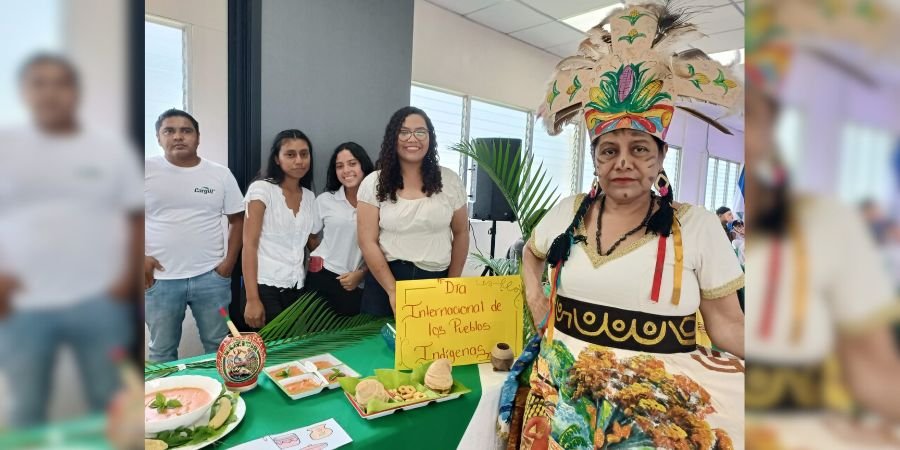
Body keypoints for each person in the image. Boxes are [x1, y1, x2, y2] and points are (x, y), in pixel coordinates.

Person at [497, 6, 746, 448]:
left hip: (651, 419)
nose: (624, 162)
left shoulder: (699, 227)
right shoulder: (566, 211)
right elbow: (531, 256)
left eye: (639, 148)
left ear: (661, 156)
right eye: (608, 150)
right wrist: (537, 302)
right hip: (560, 404)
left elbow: (728, 328)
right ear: (595, 159)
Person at [0, 54, 142, 426]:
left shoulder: (108, 148)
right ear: (24, 91)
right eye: (38, 83)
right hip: (23, 304)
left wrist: (126, 281)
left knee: (112, 406)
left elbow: (134, 217)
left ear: (76, 91)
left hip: (99, 300)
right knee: (26, 408)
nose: (50, 92)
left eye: (60, 82)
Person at [145, 109, 244, 362]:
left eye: (186, 130)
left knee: (219, 347)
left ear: (198, 137)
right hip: (160, 281)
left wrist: (228, 264)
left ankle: (224, 400)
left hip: (211, 278)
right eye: (169, 131)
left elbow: (237, 218)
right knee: (162, 351)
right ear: (158, 137)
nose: (178, 136)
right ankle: (171, 401)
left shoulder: (220, 174)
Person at [357, 106, 469, 317]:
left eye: (420, 132)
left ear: (430, 138)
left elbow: (462, 232)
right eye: (404, 132)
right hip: (386, 280)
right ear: (393, 137)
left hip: (435, 280)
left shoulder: (450, 180)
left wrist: (452, 283)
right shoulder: (373, 182)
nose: (413, 138)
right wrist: (392, 290)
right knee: (380, 348)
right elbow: (366, 240)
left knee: (431, 347)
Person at [242, 130, 322, 328]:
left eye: (304, 154)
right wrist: (252, 299)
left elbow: (313, 243)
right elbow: (249, 246)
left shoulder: (310, 197)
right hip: (264, 286)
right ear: (277, 159)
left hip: (297, 287)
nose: (299, 161)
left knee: (293, 351)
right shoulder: (262, 189)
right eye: (290, 154)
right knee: (273, 353)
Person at [305, 142, 374, 316]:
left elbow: (382, 247)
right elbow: (311, 237)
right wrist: (323, 262)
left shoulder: (379, 204)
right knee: (315, 337)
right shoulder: (325, 200)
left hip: (355, 282)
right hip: (322, 277)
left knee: (345, 340)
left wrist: (362, 273)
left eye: (352, 163)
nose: (346, 170)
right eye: (339, 166)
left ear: (363, 166)